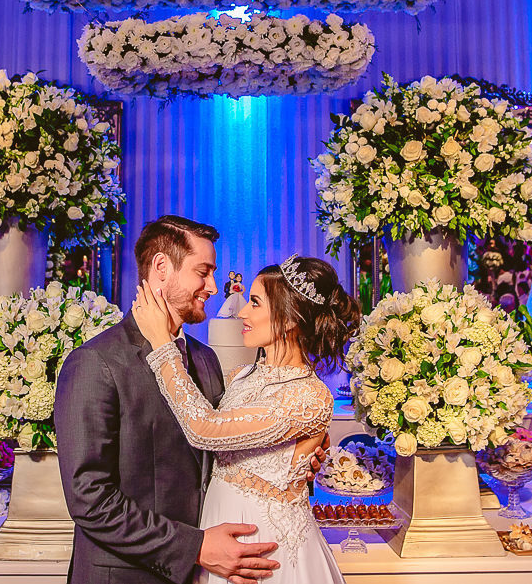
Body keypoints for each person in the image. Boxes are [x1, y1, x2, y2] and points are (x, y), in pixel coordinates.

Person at [56, 216, 282, 584]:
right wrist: (194, 547)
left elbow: (221, 450)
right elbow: (90, 500)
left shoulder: (205, 358)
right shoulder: (95, 363)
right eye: (203, 272)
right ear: (162, 267)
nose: (213, 287)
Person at [133, 256, 361, 584]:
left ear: (289, 319)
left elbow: (204, 429)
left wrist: (161, 343)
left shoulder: (309, 396)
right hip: (218, 537)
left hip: (264, 550)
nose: (242, 312)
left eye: (255, 303)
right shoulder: (242, 376)